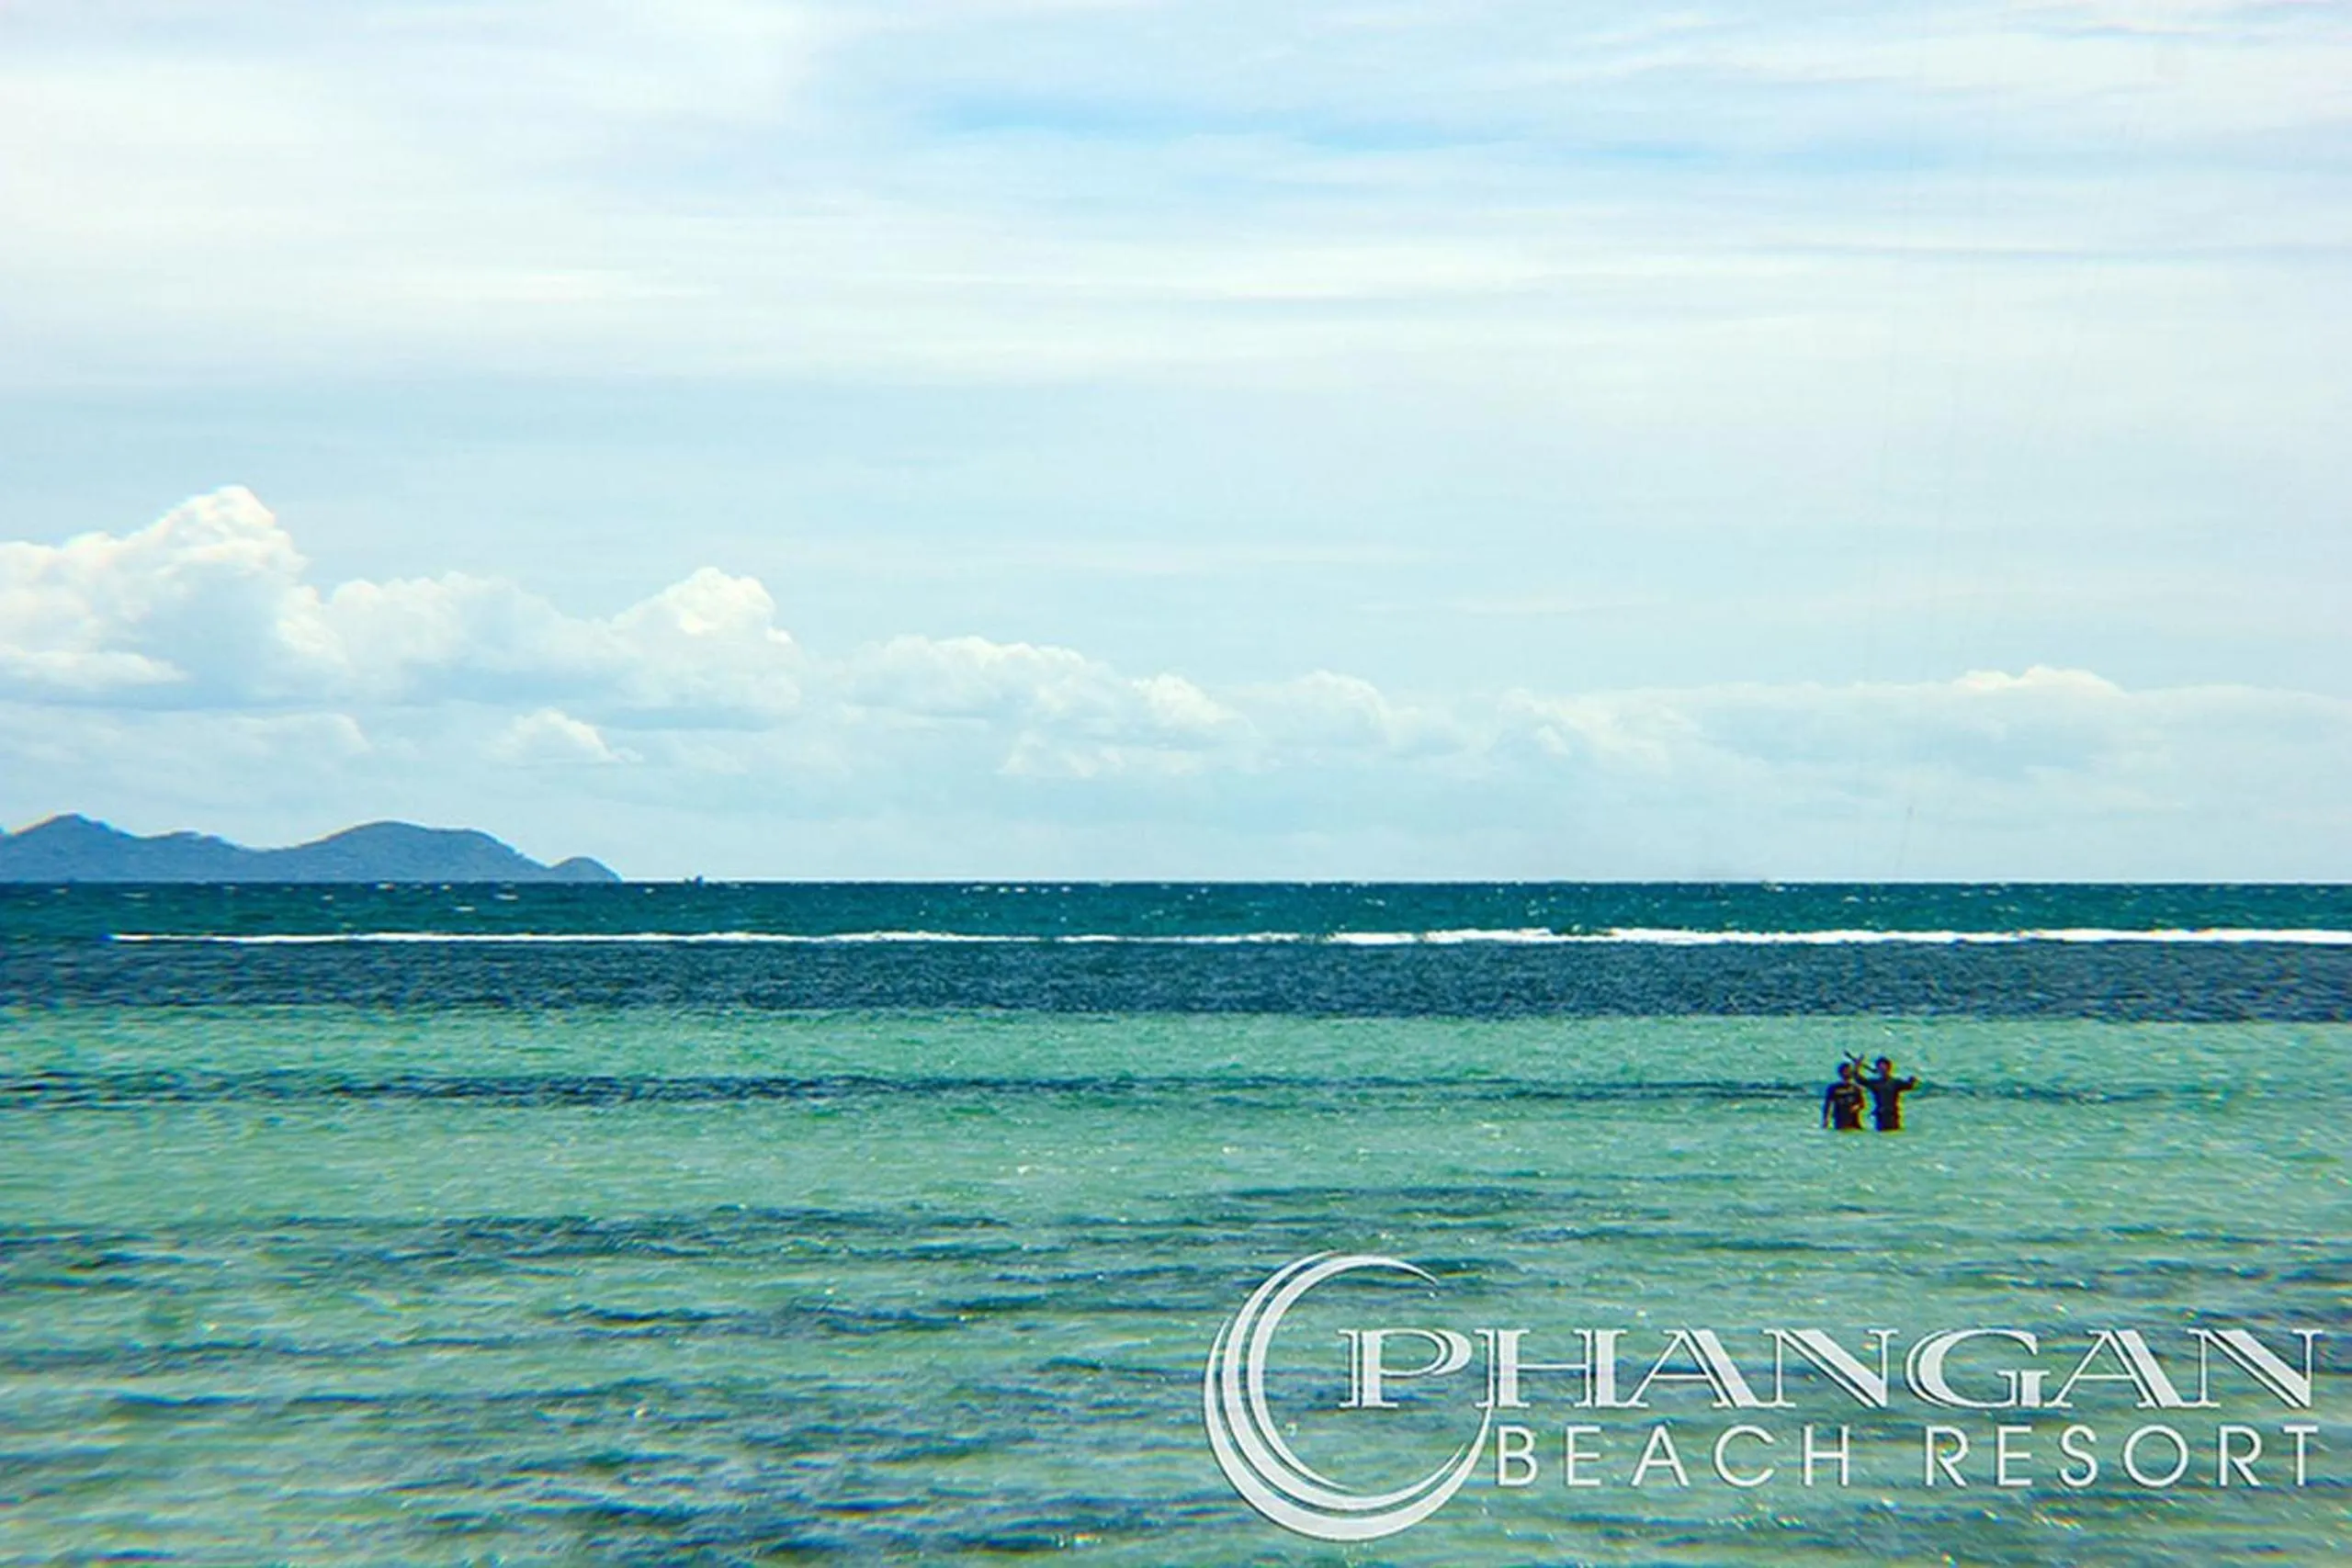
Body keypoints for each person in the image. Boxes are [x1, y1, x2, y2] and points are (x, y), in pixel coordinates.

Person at [1860, 1056, 1919, 1132]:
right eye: (1880, 1068)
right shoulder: (1875, 1083)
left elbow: (1909, 1086)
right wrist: (1857, 1066)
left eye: (1884, 1067)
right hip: (1881, 1116)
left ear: (1889, 1068)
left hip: (1893, 1115)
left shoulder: (1895, 1082)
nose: (1882, 1070)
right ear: (1877, 1069)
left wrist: (1912, 1081)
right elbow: (1861, 1081)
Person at [1821, 1059, 1865, 1132]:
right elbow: (1827, 1105)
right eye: (1845, 1071)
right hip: (1840, 1119)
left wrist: (1857, 1106)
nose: (1847, 1073)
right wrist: (1826, 1120)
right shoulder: (1834, 1088)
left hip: (1854, 1121)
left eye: (1849, 1071)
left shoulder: (1855, 1088)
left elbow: (1862, 1104)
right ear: (1840, 1073)